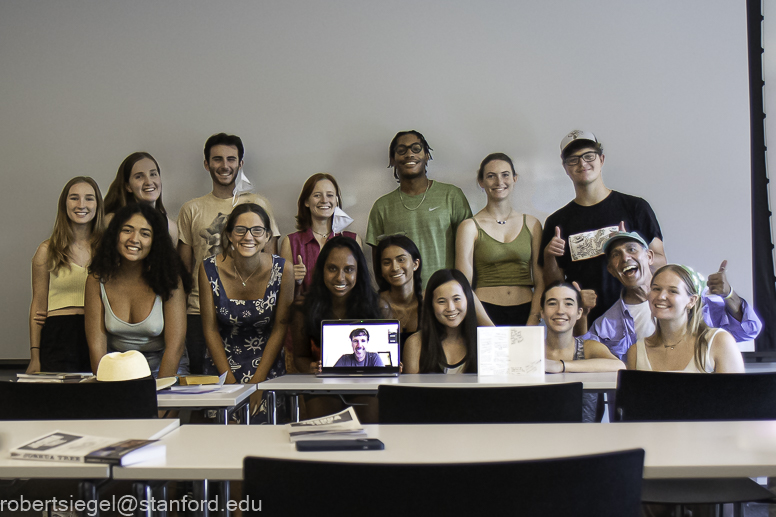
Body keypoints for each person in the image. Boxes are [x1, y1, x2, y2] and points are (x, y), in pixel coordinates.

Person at [540, 130, 666, 329]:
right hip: (586, 325)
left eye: (589, 156)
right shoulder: (556, 222)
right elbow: (555, 286)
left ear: (601, 159)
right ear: (565, 168)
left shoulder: (635, 207)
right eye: (573, 160)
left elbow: (660, 263)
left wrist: (630, 248)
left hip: (640, 317)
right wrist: (549, 257)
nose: (582, 164)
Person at [177, 133, 280, 375]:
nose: (225, 165)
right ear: (207, 164)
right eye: (217, 159)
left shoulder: (259, 204)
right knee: (204, 390)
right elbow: (183, 270)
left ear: (240, 164)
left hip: (252, 310)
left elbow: (272, 263)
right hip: (198, 311)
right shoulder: (191, 209)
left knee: (257, 384)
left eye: (231, 159)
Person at [583, 231, 761, 360]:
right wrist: (580, 313)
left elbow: (749, 330)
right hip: (642, 404)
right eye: (616, 254)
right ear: (611, 270)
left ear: (649, 256)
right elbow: (582, 353)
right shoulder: (606, 325)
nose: (625, 258)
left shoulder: (693, 298)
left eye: (631, 249)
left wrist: (729, 295)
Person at [199, 203, 293, 418]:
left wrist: (257, 383)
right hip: (221, 366)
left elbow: (280, 329)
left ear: (268, 236)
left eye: (257, 230)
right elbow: (210, 329)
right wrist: (230, 384)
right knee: (223, 438)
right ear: (230, 235)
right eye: (240, 230)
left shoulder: (283, 270)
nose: (248, 237)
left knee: (267, 436)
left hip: (267, 366)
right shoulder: (208, 268)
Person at [85, 203, 190, 378]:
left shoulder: (170, 280)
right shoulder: (96, 280)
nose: (134, 239)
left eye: (145, 234)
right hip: (117, 370)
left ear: (154, 242)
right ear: (115, 235)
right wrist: (106, 389)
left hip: (167, 369)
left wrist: (159, 397)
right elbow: (96, 346)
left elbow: (175, 347)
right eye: (127, 230)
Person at [291, 236, 389, 420]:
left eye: (349, 269)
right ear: (322, 270)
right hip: (322, 385)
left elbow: (384, 367)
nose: (340, 277)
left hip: (366, 386)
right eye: (332, 269)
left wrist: (391, 368)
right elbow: (299, 357)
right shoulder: (303, 309)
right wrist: (311, 367)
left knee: (370, 416)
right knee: (323, 421)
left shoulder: (378, 306)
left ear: (359, 272)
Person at [367, 130, 472, 288]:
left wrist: (462, 292)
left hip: (445, 297)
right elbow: (379, 264)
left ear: (426, 155)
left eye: (416, 148)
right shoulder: (381, 207)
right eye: (401, 150)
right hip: (402, 301)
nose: (409, 154)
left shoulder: (452, 196)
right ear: (392, 159)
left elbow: (469, 252)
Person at [279, 173, 360, 373]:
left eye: (330, 195)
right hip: (303, 338)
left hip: (346, 334)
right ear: (306, 201)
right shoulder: (291, 242)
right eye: (317, 195)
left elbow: (360, 289)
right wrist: (293, 281)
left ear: (337, 201)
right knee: (306, 401)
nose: (325, 200)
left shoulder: (352, 240)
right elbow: (283, 301)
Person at [456, 153, 544, 326]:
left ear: (514, 178)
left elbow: (541, 281)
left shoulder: (532, 224)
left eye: (505, 174)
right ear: (481, 182)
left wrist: (533, 319)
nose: (499, 182)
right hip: (485, 313)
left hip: (526, 313)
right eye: (491, 176)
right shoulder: (469, 227)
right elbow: (463, 284)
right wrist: (487, 325)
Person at [28, 177, 104, 373]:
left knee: (97, 399)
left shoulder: (108, 250)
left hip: (99, 334)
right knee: (58, 401)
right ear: (64, 204)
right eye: (74, 198)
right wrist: (35, 356)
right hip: (58, 336)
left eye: (89, 198)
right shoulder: (47, 250)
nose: (81, 205)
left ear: (98, 205)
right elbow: (38, 305)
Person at [626, 264, 745, 373]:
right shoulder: (636, 352)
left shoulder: (719, 342)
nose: (661, 296)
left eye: (673, 291)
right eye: (656, 289)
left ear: (691, 301)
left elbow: (736, 395)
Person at [541, 282, 625, 422]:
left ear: (579, 312)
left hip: (587, 437)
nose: (560, 310)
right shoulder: (531, 349)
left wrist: (561, 366)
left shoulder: (590, 348)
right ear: (542, 312)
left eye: (568, 304)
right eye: (552, 303)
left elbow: (620, 366)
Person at [404, 269, 494, 374]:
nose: (450, 308)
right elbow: (412, 390)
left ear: (469, 299)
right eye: (441, 301)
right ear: (431, 305)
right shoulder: (415, 343)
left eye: (456, 299)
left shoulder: (484, 342)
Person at [103, 152, 178, 242]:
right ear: (128, 186)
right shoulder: (110, 221)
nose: (149, 182)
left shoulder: (171, 228)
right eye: (139, 177)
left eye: (153, 174)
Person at [374, 235, 422, 352]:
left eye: (401, 260)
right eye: (386, 262)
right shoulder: (373, 305)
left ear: (415, 264)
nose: (394, 268)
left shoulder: (430, 302)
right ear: (380, 270)